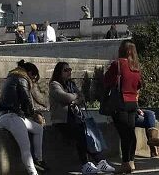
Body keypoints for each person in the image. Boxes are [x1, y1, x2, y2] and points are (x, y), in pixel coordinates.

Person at [49, 62, 116, 174]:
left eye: (69, 69)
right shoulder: (54, 85)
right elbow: (64, 97)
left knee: (88, 134)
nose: (69, 72)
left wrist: (74, 99)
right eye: (66, 70)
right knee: (81, 133)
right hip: (62, 121)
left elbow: (82, 97)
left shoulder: (71, 84)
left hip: (75, 117)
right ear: (59, 72)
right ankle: (86, 164)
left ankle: (100, 162)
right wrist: (75, 97)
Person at [0, 60, 49, 175]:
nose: (33, 82)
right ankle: (33, 172)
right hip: (10, 116)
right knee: (25, 147)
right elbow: (27, 100)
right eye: (34, 79)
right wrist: (35, 115)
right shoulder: (21, 78)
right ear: (30, 73)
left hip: (12, 115)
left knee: (38, 129)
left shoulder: (14, 76)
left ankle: (38, 160)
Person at [104, 40, 142, 173]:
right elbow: (139, 85)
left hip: (121, 102)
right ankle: (131, 161)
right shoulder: (136, 66)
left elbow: (107, 81)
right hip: (133, 103)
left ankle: (125, 163)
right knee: (131, 132)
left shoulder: (118, 64)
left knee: (124, 134)